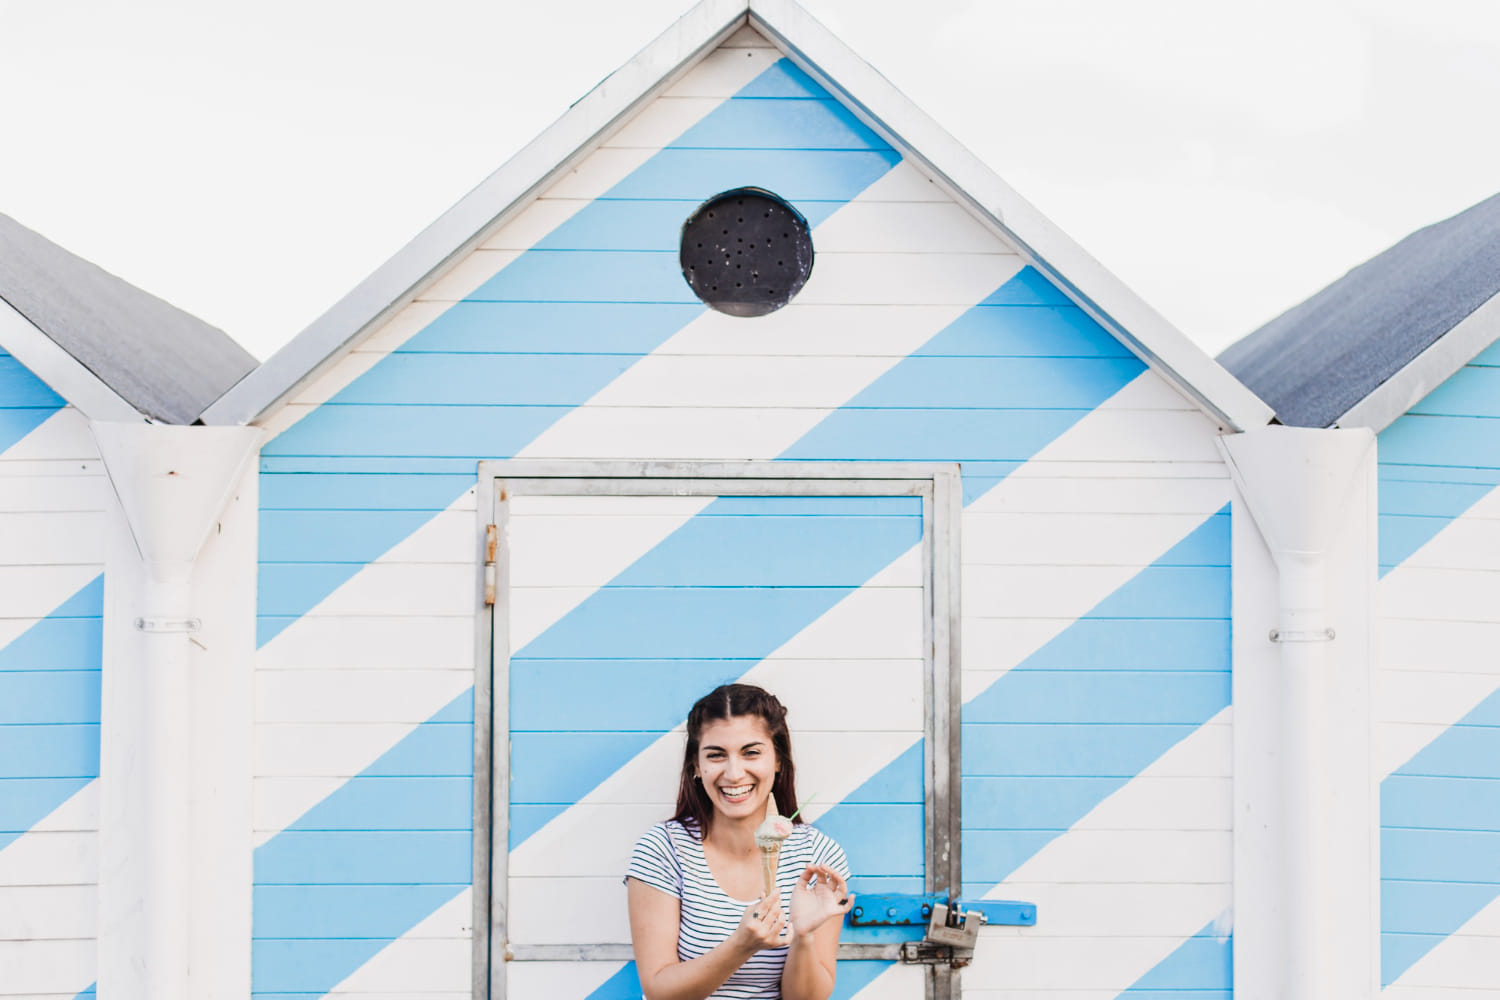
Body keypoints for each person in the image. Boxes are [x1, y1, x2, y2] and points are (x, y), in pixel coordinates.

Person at [625, 684, 855, 1000]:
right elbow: (659, 990)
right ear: (695, 764)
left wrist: (804, 935)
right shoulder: (663, 850)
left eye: (751, 752)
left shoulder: (818, 855)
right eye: (716, 755)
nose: (734, 773)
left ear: (777, 759)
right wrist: (741, 945)